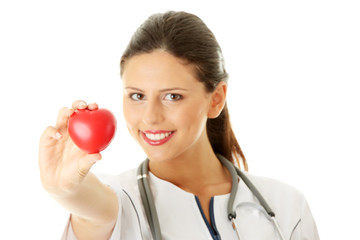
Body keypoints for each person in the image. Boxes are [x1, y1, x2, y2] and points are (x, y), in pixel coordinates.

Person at [39, 11, 319, 240]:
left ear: (216, 99)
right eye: (137, 96)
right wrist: (61, 188)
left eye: (172, 96)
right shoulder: (121, 202)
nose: (150, 117)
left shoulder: (286, 206)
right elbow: (89, 206)